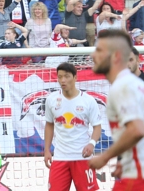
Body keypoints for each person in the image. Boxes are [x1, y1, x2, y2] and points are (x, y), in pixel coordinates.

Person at [89, 28, 144, 188]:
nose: (92, 55)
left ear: (116, 56)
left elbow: (137, 130)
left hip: (139, 176)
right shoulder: (134, 84)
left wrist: (104, 157)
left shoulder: (123, 87)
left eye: (99, 50)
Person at [43, 62, 102, 191]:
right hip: (60, 157)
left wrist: (91, 143)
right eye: (60, 77)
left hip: (82, 157)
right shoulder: (51, 100)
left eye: (66, 76)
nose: (63, 80)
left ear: (75, 77)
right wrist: (47, 149)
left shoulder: (88, 101)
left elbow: (97, 126)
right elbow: (49, 124)